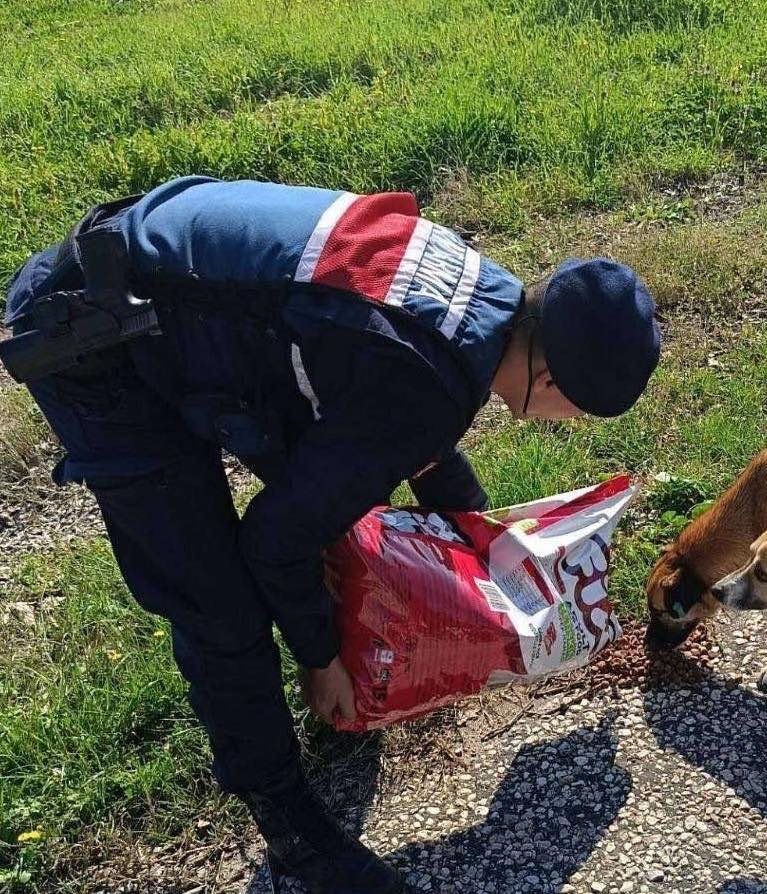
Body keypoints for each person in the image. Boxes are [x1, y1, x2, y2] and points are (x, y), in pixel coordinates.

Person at [1, 177, 661, 893]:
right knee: (220, 603)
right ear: (554, 381)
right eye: (580, 413)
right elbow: (276, 538)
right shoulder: (429, 385)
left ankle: (336, 687)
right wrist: (321, 659)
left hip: (172, 284)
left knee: (328, 496)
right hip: (95, 337)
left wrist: (479, 535)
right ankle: (292, 829)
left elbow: (402, 412)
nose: (568, 424)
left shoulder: (486, 296)